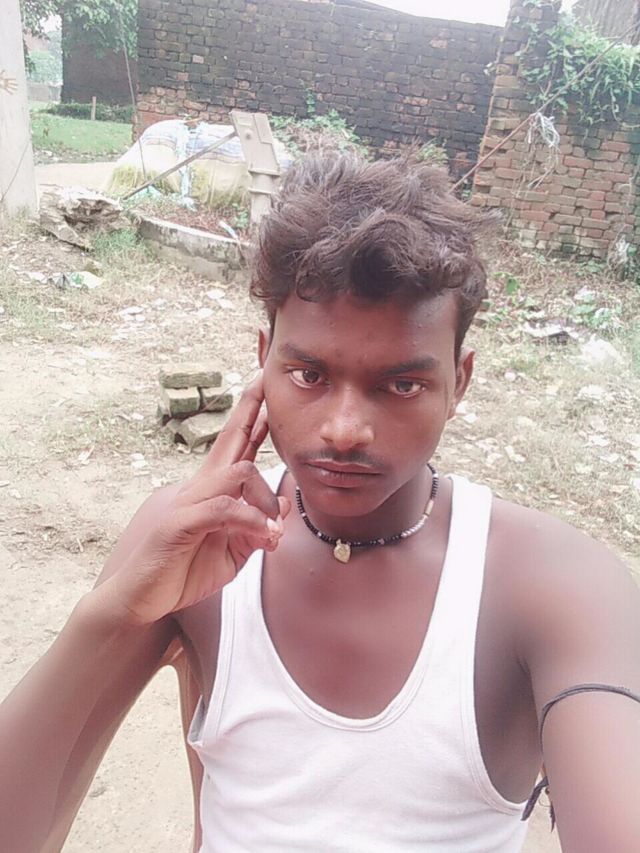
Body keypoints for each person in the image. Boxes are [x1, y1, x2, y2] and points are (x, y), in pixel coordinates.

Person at [1, 152, 639, 853]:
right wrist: (113, 617)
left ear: (459, 382)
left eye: (401, 385)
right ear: (264, 359)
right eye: (308, 374)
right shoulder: (186, 540)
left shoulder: (550, 585)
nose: (344, 429)